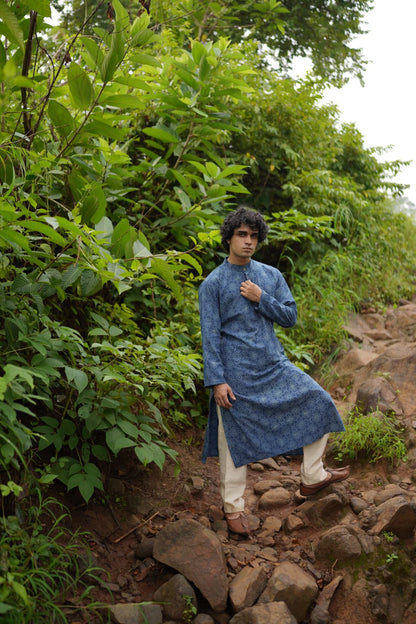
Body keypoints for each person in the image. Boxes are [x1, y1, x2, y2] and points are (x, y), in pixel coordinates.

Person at [198, 206, 350, 535]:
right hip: (235, 373)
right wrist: (217, 380)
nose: (248, 241)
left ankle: (312, 476)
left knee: (319, 401)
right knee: (232, 438)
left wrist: (261, 297)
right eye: (242, 234)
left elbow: (289, 317)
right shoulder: (213, 284)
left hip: (273, 364)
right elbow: (209, 335)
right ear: (229, 237)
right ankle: (233, 508)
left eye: (254, 236)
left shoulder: (270, 275)